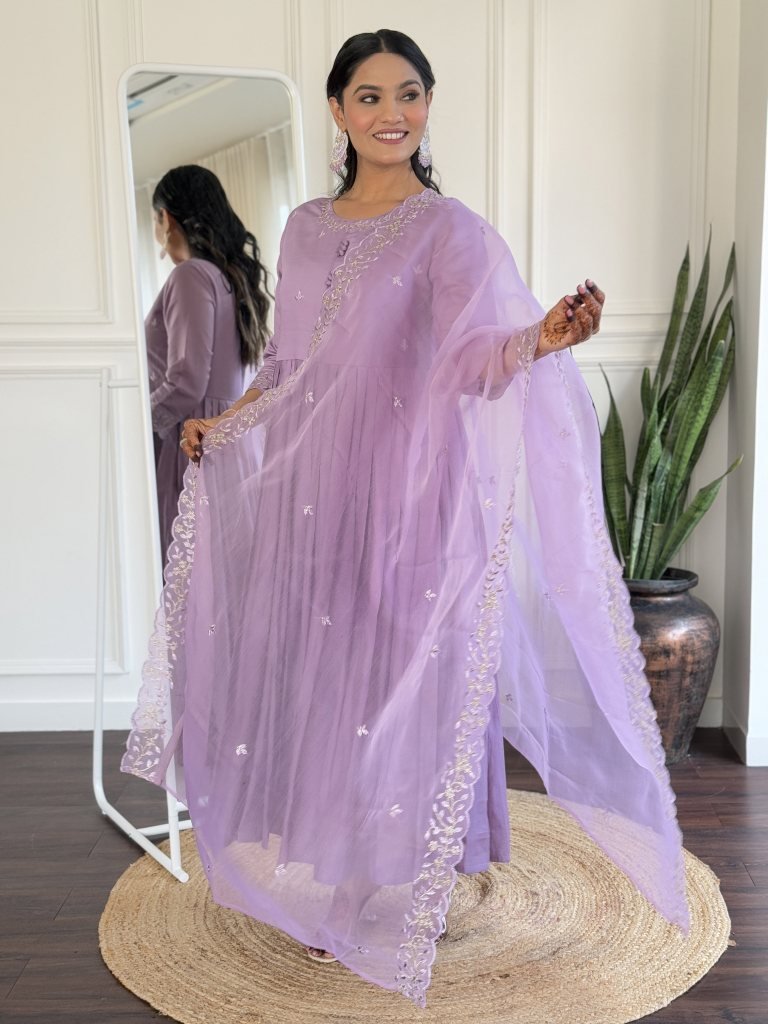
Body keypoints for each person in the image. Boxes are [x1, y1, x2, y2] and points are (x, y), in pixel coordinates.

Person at [122, 30, 689, 1007]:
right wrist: (228, 420)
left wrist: (540, 337)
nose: (393, 113)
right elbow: (291, 367)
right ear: (338, 110)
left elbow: (470, 357)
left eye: (410, 93)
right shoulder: (304, 227)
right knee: (335, 682)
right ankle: (347, 869)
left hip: (418, 495)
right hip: (322, 496)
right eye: (371, 95)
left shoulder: (449, 230)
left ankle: (394, 883)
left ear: (428, 105)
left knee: (412, 682)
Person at [145, 165, 271, 555]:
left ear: (166, 218)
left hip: (191, 441)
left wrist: (138, 423)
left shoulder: (191, 275)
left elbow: (186, 380)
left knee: (187, 569)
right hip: (226, 440)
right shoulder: (229, 278)